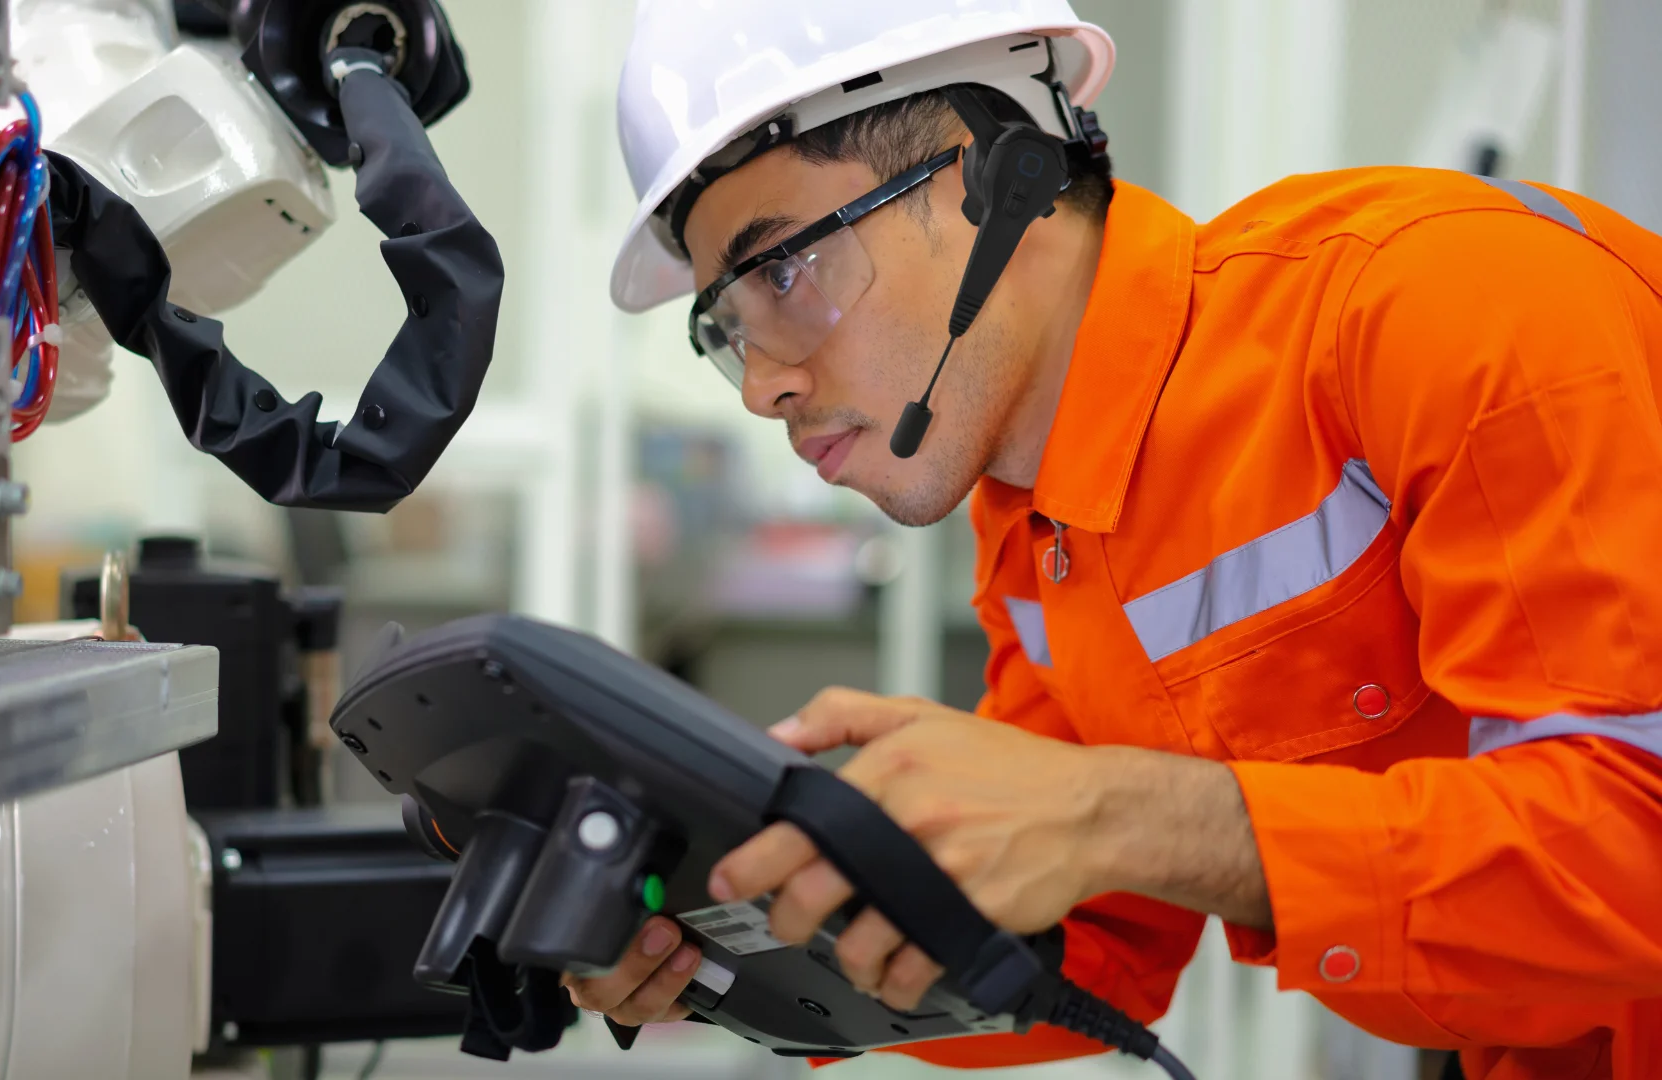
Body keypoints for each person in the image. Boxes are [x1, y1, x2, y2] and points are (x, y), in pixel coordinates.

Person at [570, 1, 1662, 1077]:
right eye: (729, 324)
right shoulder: (1039, 523)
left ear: (987, 175)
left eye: (783, 274)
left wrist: (1127, 817)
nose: (763, 386)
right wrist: (725, 955)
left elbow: (1634, 840)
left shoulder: (1443, 303)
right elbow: (1084, 952)